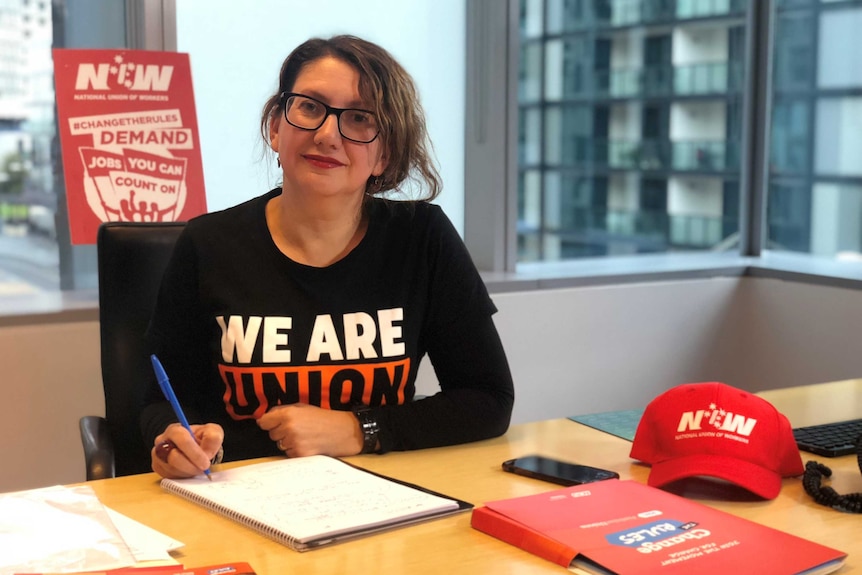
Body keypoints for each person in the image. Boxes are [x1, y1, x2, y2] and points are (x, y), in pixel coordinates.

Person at [140, 35, 515, 479]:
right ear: (276, 128)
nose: (327, 134)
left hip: (382, 497)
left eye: (359, 119)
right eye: (310, 107)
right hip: (236, 492)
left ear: (385, 154)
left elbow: (487, 399)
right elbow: (156, 398)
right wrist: (173, 439)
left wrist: (359, 429)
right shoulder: (208, 243)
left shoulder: (423, 239)